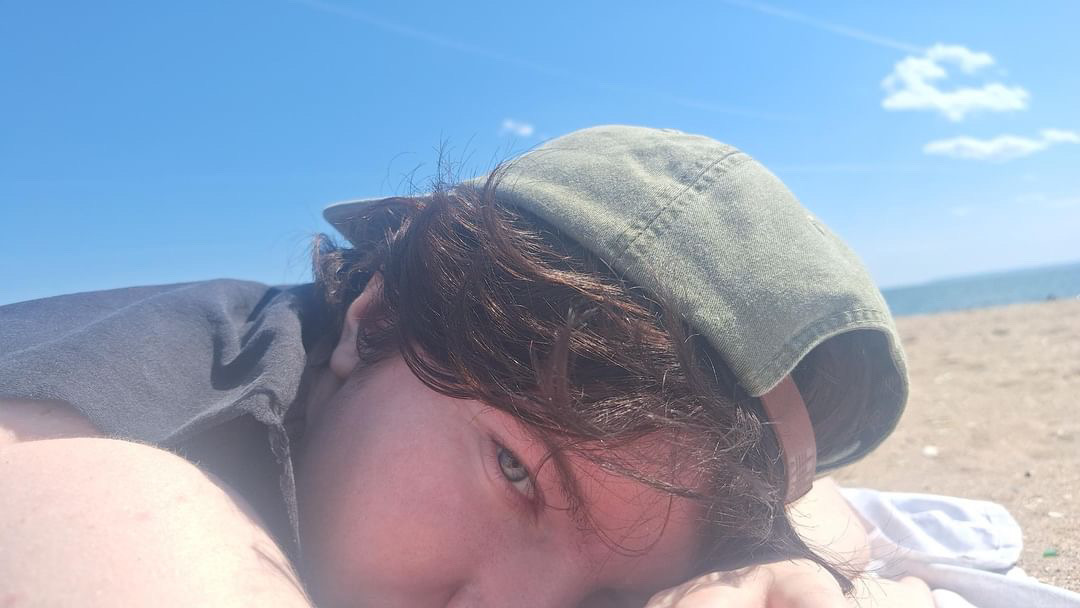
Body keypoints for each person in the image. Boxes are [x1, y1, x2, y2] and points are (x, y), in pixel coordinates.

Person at [0, 125, 935, 607]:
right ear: (377, 319)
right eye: (517, 470)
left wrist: (758, 570)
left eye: (605, 591)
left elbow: (825, 518)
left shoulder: (380, 412)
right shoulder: (102, 460)